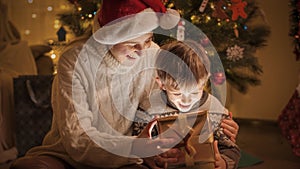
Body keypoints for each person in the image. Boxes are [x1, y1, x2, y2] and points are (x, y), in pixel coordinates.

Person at [11, 0, 239, 169]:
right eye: (131, 43)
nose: (142, 50)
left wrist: (214, 119)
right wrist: (134, 148)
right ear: (109, 36)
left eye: (148, 39)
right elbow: (78, 141)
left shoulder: (153, 55)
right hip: (67, 157)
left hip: (132, 159)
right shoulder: (75, 60)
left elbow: (174, 103)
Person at [132, 40, 240, 169]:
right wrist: (153, 158)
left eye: (195, 93)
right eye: (177, 94)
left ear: (205, 81)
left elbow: (230, 148)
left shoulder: (214, 109)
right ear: (161, 83)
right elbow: (139, 146)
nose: (186, 101)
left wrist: (223, 162)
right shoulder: (149, 109)